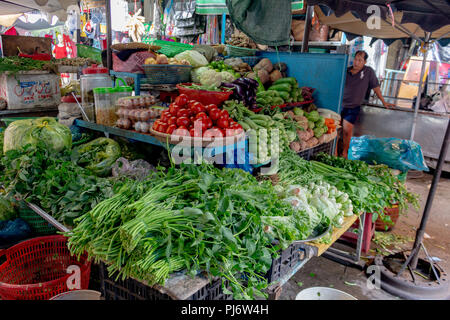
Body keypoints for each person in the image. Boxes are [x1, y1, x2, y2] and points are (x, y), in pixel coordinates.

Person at [339, 50, 395, 158]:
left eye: (360, 60)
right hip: (339, 105)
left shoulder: (368, 72)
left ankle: (344, 153)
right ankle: (335, 152)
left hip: (353, 107)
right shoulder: (345, 71)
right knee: (335, 130)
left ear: (364, 62)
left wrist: (383, 102)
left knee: (347, 130)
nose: (356, 62)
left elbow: (376, 88)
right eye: (355, 59)